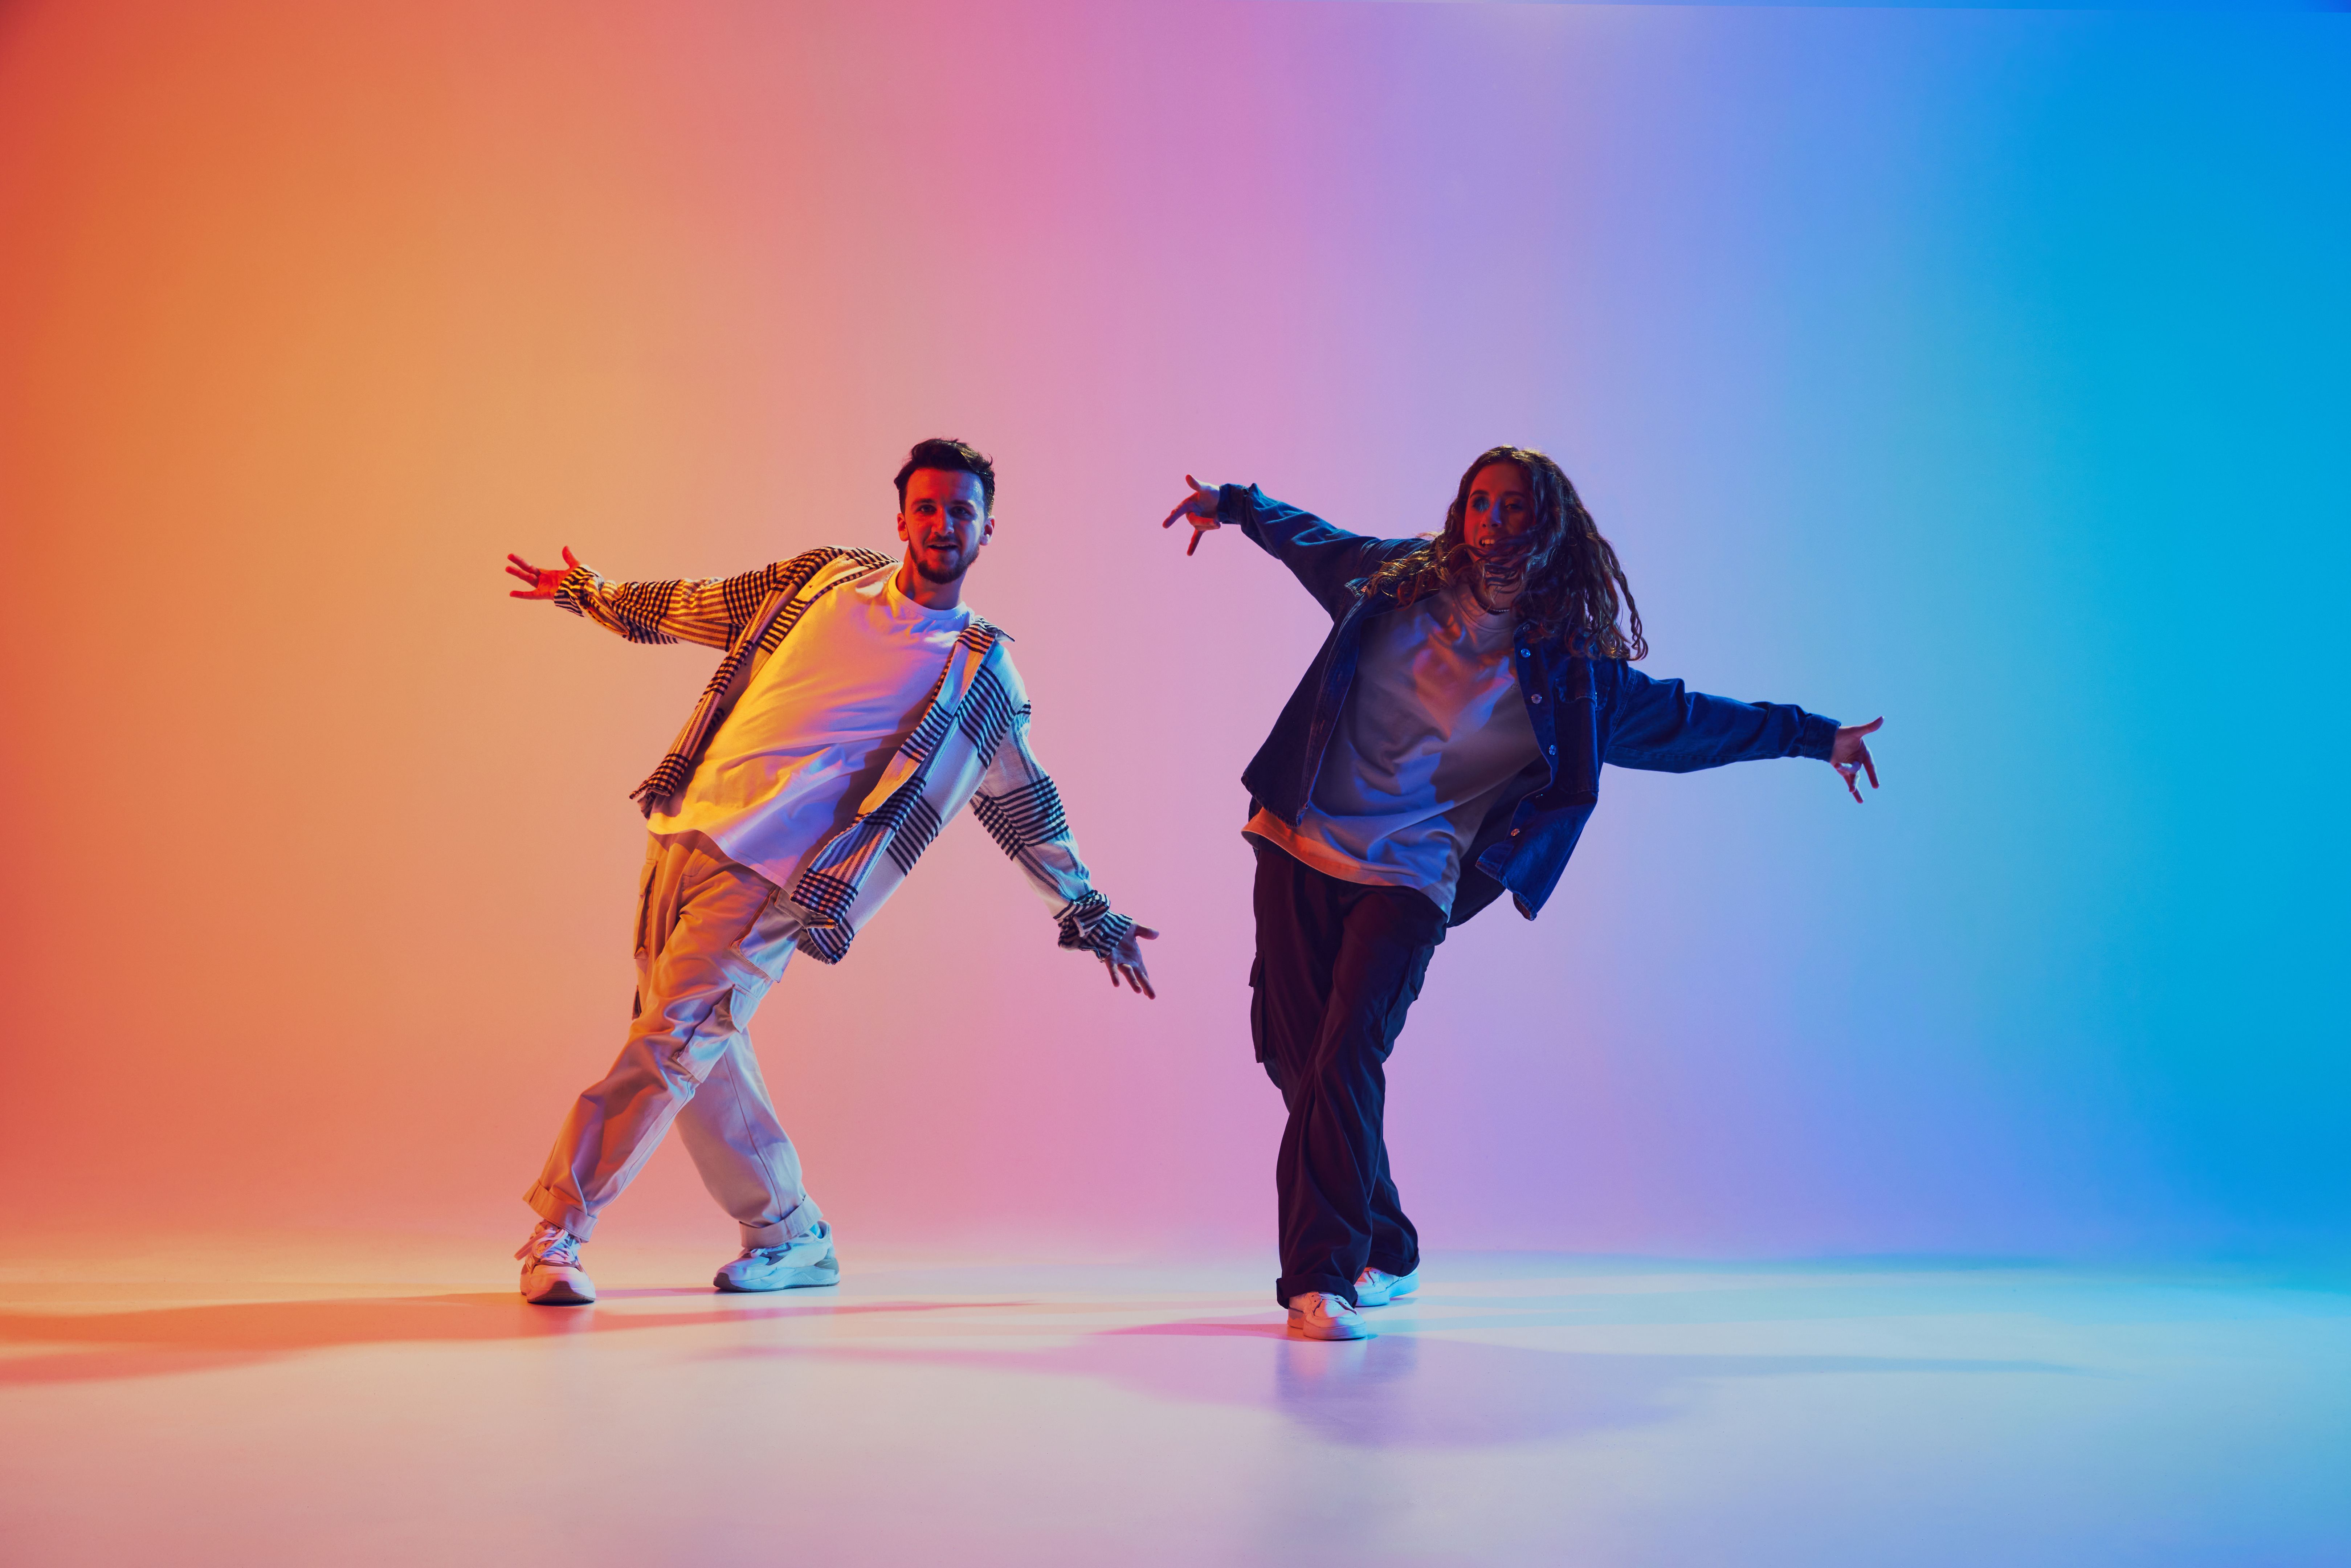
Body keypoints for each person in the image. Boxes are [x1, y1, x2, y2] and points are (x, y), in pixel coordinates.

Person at [1161, 448, 1881, 1341]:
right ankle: (1390, 1245)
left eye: (1512, 508)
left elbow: (1690, 721)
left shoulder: (1574, 674)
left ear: (1548, 526)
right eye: (1478, 504)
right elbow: (1312, 540)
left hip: (1414, 872)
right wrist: (1235, 505)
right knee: (1295, 1058)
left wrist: (1816, 738)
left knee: (1346, 1055)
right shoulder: (1393, 580)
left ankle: (1321, 1280)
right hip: (1299, 839)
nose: (1491, 523)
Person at [503, 438, 1156, 1306]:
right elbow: (699, 605)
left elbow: (1022, 803)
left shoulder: (981, 672)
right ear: (901, 521)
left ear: (987, 529)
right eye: (926, 508)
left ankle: (561, 1226)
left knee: (667, 1046)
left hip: (774, 873)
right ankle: (790, 1233)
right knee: (695, 1048)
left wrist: (1088, 910)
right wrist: (590, 593)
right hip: (684, 829)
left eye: (961, 512)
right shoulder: (823, 578)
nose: (942, 525)